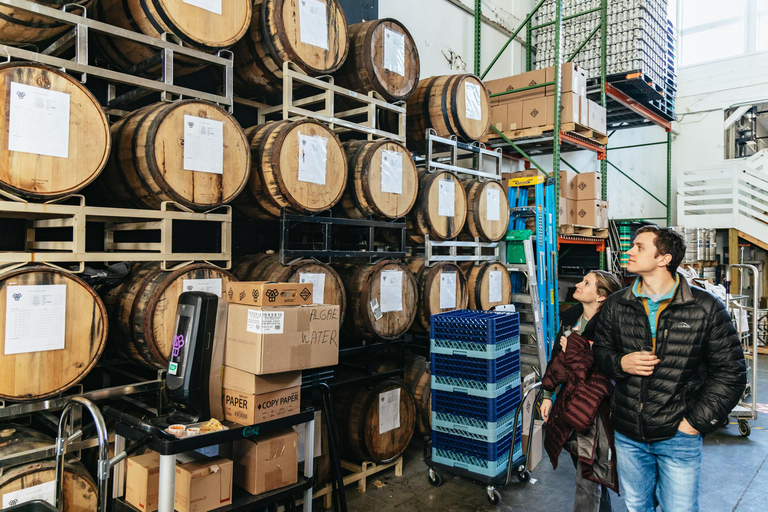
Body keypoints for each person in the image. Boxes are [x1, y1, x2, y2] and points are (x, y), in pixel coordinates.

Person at [592, 226, 746, 512]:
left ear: (663, 258)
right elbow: (600, 352)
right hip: (628, 434)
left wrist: (693, 424)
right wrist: (620, 363)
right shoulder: (616, 304)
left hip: (678, 435)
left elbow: (731, 374)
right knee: (638, 506)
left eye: (639, 246)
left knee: (680, 509)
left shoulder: (705, 307)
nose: (629, 251)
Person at [540, 270, 623, 512]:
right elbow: (558, 358)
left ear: (601, 297)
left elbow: (608, 369)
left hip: (596, 408)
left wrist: (581, 348)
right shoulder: (571, 318)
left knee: (588, 473)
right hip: (569, 401)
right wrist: (547, 396)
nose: (577, 284)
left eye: (586, 283)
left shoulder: (612, 326)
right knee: (586, 466)